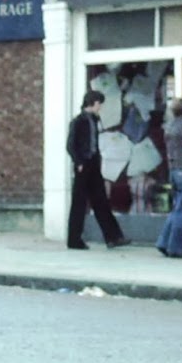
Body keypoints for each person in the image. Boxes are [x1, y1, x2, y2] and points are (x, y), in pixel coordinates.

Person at [65, 90, 130, 250]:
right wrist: (79, 161)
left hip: (93, 163)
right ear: (93, 103)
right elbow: (70, 145)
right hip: (84, 164)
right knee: (79, 202)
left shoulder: (94, 120)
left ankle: (113, 237)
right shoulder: (78, 121)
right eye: (99, 103)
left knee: (101, 200)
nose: (100, 107)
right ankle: (74, 239)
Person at [156, 97, 182, 259]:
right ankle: (177, 247)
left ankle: (165, 242)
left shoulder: (168, 128)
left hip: (173, 170)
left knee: (177, 208)